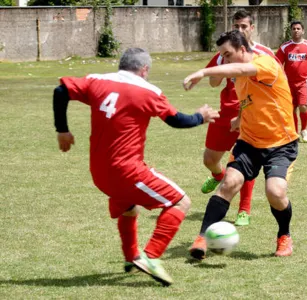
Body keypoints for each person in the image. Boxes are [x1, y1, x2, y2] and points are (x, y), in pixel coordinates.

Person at [53, 48, 219, 286]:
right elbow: (176, 120)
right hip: (127, 171)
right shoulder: (148, 90)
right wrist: (199, 117)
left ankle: (132, 257)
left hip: (100, 172)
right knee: (180, 201)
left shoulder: (97, 80)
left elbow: (61, 91)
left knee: (130, 208)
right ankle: (151, 257)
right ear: (144, 70)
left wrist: (62, 130)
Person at [183, 30, 298, 259]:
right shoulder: (239, 79)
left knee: (275, 192)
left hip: (280, 144)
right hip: (249, 142)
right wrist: (239, 118)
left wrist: (204, 71)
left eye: (228, 55)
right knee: (229, 183)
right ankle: (203, 238)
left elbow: (241, 69)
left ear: (243, 50)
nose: (225, 61)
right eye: (222, 56)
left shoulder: (266, 64)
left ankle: (284, 235)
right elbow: (252, 101)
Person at [201, 9, 279, 227]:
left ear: (252, 28)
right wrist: (224, 68)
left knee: (241, 162)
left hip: (250, 114)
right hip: (224, 113)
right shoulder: (222, 54)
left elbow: (275, 80)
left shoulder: (264, 53)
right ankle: (218, 176)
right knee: (209, 160)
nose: (240, 30)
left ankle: (244, 209)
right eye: (236, 26)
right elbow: (213, 83)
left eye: (244, 26)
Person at [275, 20, 307, 143]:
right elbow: (277, 64)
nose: (296, 30)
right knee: (291, 108)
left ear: (303, 31)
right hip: (288, 83)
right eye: (294, 29)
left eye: (298, 28)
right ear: (291, 31)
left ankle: (304, 129)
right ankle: (294, 133)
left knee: (303, 106)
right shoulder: (285, 47)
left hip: (303, 82)